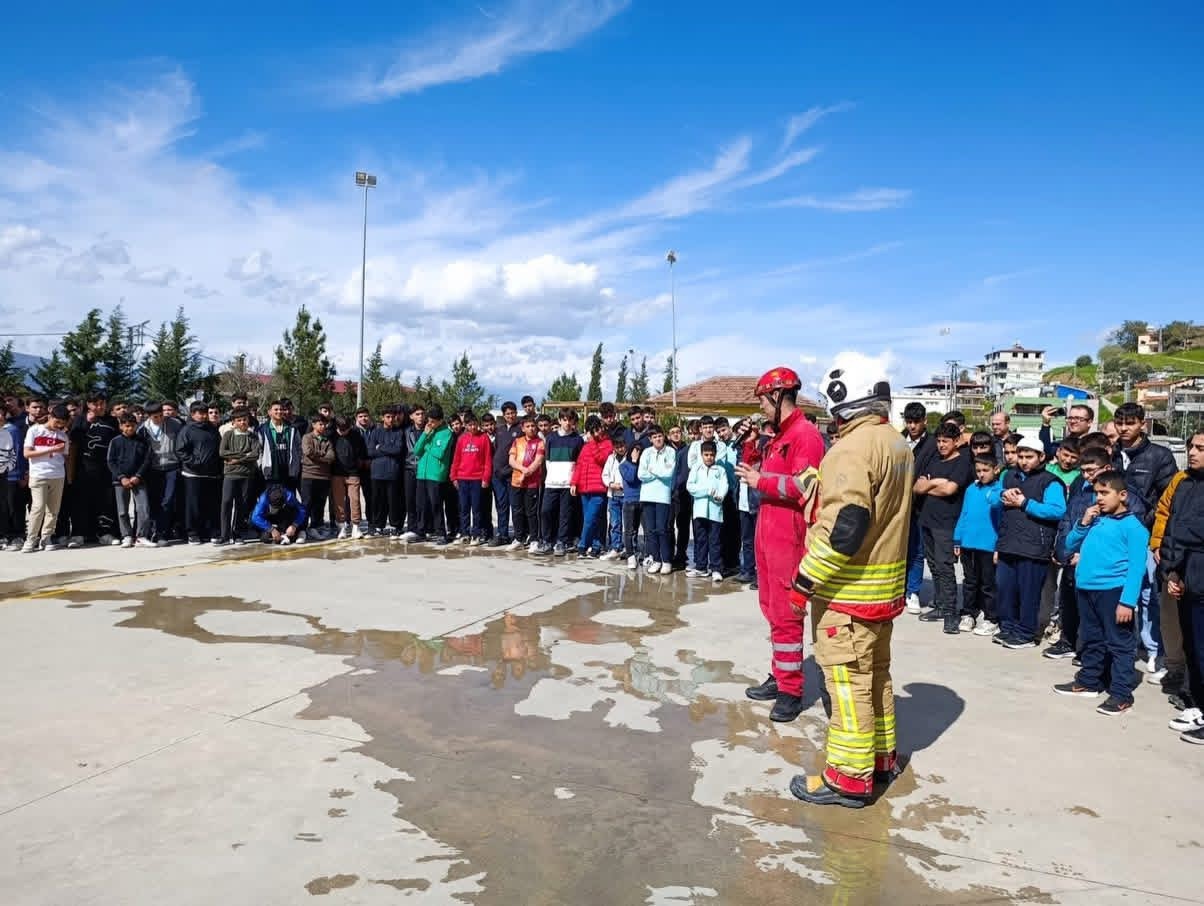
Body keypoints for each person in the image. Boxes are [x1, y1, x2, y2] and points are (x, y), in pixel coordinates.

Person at [789, 361, 912, 809]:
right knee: (876, 678)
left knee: (846, 686)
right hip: (883, 594)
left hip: (847, 595)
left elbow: (847, 525)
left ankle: (848, 778)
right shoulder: (896, 444)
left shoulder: (849, 450)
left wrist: (804, 581)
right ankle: (881, 759)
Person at [733, 368, 825, 723]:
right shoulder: (778, 436)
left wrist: (763, 480)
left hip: (789, 539)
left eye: (761, 401)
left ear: (777, 396)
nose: (760, 408)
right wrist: (751, 443)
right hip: (768, 537)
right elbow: (752, 467)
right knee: (772, 610)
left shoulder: (806, 437)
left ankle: (791, 692)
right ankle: (780, 674)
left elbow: (806, 486)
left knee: (787, 615)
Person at [1053, 471, 1149, 715]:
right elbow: (1070, 545)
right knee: (1091, 638)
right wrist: (1083, 523)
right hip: (1087, 589)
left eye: (1105, 493)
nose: (1099, 498)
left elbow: (1137, 568)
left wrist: (1127, 602)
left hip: (1113, 592)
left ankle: (1120, 694)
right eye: (1097, 493)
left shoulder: (1133, 527)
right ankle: (1089, 681)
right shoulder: (1094, 520)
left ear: (1123, 495)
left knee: (1120, 644)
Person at [1113, 401, 1178, 676]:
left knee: (1149, 596)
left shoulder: (1159, 456)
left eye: (1130, 423)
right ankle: (1128, 643)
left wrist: (1148, 528)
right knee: (1122, 592)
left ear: (1142, 424)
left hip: (1147, 536)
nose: (1124, 428)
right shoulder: (1111, 453)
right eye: (1120, 423)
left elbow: (1168, 499)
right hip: (1115, 536)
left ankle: (1156, 652)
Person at [995, 435, 1067, 649]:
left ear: (1041, 456)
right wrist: (1002, 493)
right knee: (1005, 588)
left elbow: (1057, 510)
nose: (1024, 461)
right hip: (1009, 542)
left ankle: (1026, 633)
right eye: (1020, 456)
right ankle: (1007, 627)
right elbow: (991, 495)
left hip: (1034, 546)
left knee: (1029, 592)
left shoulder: (1051, 482)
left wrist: (1026, 503)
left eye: (1029, 456)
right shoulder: (1008, 476)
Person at [1044, 447, 1112, 658]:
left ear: (1107, 468)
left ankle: (1090, 651)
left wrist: (1085, 555)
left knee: (1092, 610)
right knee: (1068, 602)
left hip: (1094, 562)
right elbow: (1067, 521)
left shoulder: (1117, 494)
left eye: (1092, 470)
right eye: (1083, 471)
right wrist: (1063, 550)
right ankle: (1067, 642)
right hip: (1071, 557)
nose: (1086, 475)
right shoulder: (1080, 489)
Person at [1159, 431, 1204, 743]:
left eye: (1201, 448)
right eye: (1191, 446)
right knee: (1193, 647)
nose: (1193, 452)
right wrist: (1172, 572)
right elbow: (1172, 529)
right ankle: (1198, 705)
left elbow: (1192, 532)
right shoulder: (1185, 483)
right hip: (1187, 577)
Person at [915, 422, 975, 633]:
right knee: (933, 566)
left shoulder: (962, 463)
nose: (941, 445)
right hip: (927, 521)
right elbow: (917, 487)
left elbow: (950, 489)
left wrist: (930, 485)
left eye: (945, 441)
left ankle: (951, 614)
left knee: (945, 567)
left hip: (946, 524)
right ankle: (939, 605)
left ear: (956, 441)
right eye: (938, 441)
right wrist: (935, 483)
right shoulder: (933, 461)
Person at [954, 456, 1003, 636]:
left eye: (986, 470)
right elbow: (964, 514)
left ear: (995, 470)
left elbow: (998, 507)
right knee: (970, 581)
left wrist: (998, 546)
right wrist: (957, 538)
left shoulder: (999, 490)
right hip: (968, 542)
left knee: (988, 583)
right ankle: (968, 613)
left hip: (988, 545)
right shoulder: (971, 489)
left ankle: (991, 618)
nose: (981, 474)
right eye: (979, 471)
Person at [69, 393, 120, 546]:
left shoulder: (112, 421)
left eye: (102, 403)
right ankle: (79, 534)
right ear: (88, 405)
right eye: (95, 404)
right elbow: (73, 441)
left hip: (105, 469)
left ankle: (105, 533)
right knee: (81, 503)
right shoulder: (79, 419)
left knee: (106, 503)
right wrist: (86, 423)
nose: (99, 407)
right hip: (84, 468)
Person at [901, 402, 935, 614]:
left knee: (916, 550)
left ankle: (912, 591)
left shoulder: (931, 444)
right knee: (897, 550)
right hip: (897, 505)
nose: (912, 426)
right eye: (909, 421)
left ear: (924, 421)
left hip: (920, 506)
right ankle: (897, 590)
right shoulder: (896, 440)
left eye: (916, 422)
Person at [22, 405, 70, 553]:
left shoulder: (63, 436)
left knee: (53, 510)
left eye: (62, 423)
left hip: (57, 475)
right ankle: (31, 539)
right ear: (50, 416)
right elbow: (27, 453)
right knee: (38, 507)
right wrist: (51, 449)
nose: (59, 426)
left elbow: (66, 457)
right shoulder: (34, 430)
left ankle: (46, 537)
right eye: (57, 422)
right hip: (38, 475)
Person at [537, 409, 583, 556]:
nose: (567, 423)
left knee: (565, 515)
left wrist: (573, 481)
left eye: (570, 420)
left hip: (568, 484)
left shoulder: (577, 440)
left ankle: (561, 542)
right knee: (546, 511)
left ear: (574, 422)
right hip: (551, 482)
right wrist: (552, 476)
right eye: (564, 419)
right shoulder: (551, 438)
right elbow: (548, 461)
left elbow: (579, 463)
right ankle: (547, 541)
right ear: (560, 420)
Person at [176, 401, 222, 544]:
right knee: (193, 505)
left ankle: (211, 531)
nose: (203, 416)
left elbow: (218, 449)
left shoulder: (213, 429)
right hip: (193, 474)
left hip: (212, 474)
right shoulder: (187, 430)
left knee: (211, 505)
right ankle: (192, 532)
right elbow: (180, 450)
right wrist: (195, 462)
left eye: (204, 413)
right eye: (199, 413)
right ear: (192, 414)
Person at [105, 413, 152, 548]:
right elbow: (111, 461)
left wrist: (138, 476)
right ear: (121, 426)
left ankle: (141, 536)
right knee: (122, 510)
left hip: (139, 479)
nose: (129, 429)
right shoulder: (115, 441)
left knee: (143, 508)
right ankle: (126, 535)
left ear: (136, 425)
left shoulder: (143, 441)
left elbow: (147, 460)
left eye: (132, 426)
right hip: (121, 481)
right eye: (126, 426)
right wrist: (122, 477)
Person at [412, 404, 455, 545]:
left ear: (440, 420)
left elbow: (439, 453)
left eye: (432, 421)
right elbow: (417, 450)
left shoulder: (446, 433)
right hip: (422, 473)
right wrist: (425, 435)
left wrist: (427, 446)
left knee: (436, 504)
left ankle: (441, 532)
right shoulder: (428, 431)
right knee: (421, 505)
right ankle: (421, 531)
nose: (429, 423)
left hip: (436, 474)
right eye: (428, 420)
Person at [686, 440, 729, 581]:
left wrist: (720, 495)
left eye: (711, 455)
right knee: (701, 540)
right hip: (700, 511)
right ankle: (701, 567)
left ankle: (716, 568)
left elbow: (724, 485)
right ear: (701, 455)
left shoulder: (720, 470)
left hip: (715, 512)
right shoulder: (696, 468)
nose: (709, 457)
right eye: (706, 454)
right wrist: (705, 491)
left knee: (715, 540)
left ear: (715, 455)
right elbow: (690, 487)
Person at [217, 407, 261, 545]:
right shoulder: (228, 435)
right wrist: (244, 456)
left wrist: (237, 460)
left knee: (242, 504)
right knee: (226, 502)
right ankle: (224, 535)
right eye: (239, 420)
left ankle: (237, 533)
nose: (242, 422)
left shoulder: (252, 436)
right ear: (234, 422)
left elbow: (255, 454)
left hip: (247, 474)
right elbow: (223, 452)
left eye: (245, 420)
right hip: (230, 474)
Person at [138, 403, 180, 545]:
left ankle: (163, 532)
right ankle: (154, 531)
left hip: (171, 466)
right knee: (154, 501)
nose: (160, 419)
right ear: (149, 416)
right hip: (153, 469)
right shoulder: (143, 429)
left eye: (161, 415)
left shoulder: (174, 424)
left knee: (168, 501)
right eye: (156, 417)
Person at [571, 415, 611, 558]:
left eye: (598, 428)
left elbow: (601, 459)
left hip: (599, 489)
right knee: (593, 519)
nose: (597, 432)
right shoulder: (586, 446)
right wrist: (574, 482)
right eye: (594, 430)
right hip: (584, 488)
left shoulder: (607, 444)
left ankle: (583, 545)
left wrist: (593, 442)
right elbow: (579, 465)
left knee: (590, 518)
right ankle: (596, 545)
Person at [636, 424, 675, 573]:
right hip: (647, 495)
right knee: (650, 530)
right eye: (655, 437)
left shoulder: (670, 452)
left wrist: (652, 470)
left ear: (664, 436)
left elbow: (668, 473)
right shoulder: (646, 452)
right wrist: (658, 472)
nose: (658, 439)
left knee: (662, 529)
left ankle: (666, 560)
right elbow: (641, 474)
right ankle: (656, 559)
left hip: (662, 496)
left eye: (660, 436)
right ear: (650, 439)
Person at [450, 411, 492, 545]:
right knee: (464, 508)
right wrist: (454, 476)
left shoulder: (484, 438)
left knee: (477, 508)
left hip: (477, 479)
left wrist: (486, 478)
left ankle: (476, 534)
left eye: (474, 424)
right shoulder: (461, 439)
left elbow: (487, 460)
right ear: (465, 425)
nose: (472, 427)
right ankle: (464, 533)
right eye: (469, 425)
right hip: (462, 478)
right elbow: (456, 459)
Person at [508, 414, 545, 551]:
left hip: (532, 483)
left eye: (533, 426)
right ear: (522, 428)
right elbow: (511, 460)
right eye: (528, 426)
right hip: (516, 481)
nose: (531, 429)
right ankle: (519, 538)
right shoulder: (517, 441)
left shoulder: (539, 442)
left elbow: (538, 461)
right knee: (517, 511)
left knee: (531, 511)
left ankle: (534, 539)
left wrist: (528, 472)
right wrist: (523, 470)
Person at [367, 408, 405, 536]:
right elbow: (371, 451)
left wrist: (381, 447)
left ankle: (394, 525)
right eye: (388, 416)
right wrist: (388, 449)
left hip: (392, 473)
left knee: (393, 501)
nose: (390, 419)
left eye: (392, 417)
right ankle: (378, 526)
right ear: (382, 417)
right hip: (377, 473)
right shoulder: (375, 432)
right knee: (378, 501)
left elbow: (398, 450)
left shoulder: (399, 432)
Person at [490, 402, 522, 547]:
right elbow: (497, 450)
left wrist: (510, 469)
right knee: (501, 506)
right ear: (503, 415)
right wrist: (496, 469)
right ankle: (502, 535)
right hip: (498, 475)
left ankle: (519, 535)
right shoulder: (500, 430)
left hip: (513, 474)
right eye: (507, 413)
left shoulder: (521, 429)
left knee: (516, 506)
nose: (510, 415)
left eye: (513, 412)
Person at [300, 413, 335, 539]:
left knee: (319, 504)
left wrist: (318, 456)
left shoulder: (327, 440)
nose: (323, 426)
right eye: (320, 424)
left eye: (325, 424)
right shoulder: (307, 437)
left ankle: (315, 527)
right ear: (313, 425)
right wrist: (322, 455)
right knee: (307, 503)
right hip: (309, 475)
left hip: (324, 477)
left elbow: (331, 457)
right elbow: (307, 452)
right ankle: (302, 529)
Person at [330, 416, 366, 539]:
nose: (342, 431)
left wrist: (358, 463)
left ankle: (356, 526)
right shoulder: (332, 435)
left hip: (353, 473)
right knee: (338, 501)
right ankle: (341, 527)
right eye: (340, 429)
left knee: (355, 499)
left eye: (345, 429)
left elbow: (362, 452)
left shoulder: (356, 435)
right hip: (336, 473)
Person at [257, 400, 302, 491]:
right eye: (276, 409)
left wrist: (296, 466)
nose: (279, 412)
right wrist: (261, 465)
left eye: (281, 409)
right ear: (269, 412)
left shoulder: (292, 429)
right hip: (271, 473)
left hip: (288, 473)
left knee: (289, 501)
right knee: (271, 501)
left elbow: (299, 448)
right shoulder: (262, 429)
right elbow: (259, 450)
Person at [601, 435, 626, 560]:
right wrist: (611, 484)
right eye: (617, 447)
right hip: (613, 495)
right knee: (615, 523)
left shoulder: (630, 458)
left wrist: (622, 486)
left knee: (628, 524)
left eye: (622, 446)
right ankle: (616, 547)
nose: (620, 449)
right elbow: (605, 475)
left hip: (626, 495)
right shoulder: (611, 458)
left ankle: (630, 548)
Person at [401, 405, 424, 538]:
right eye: (417, 414)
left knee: (422, 501)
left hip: (423, 469)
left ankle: (422, 529)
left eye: (422, 413)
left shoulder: (429, 431)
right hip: (409, 468)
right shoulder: (406, 431)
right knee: (410, 500)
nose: (420, 416)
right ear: (411, 416)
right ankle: (411, 528)